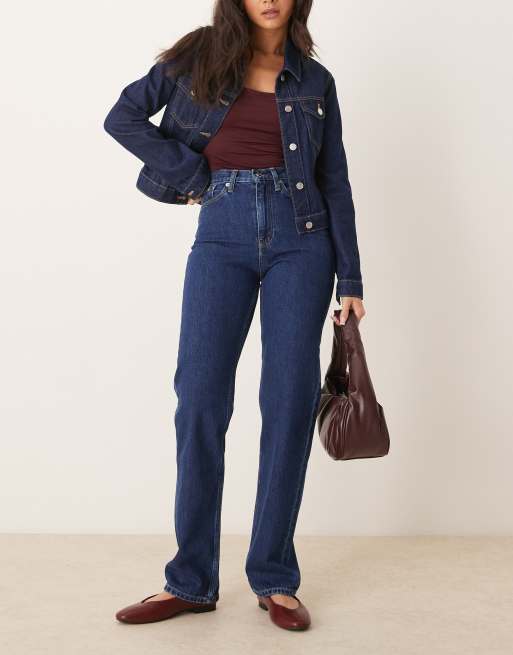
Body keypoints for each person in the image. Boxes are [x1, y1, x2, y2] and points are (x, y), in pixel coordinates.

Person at [104, 0, 366, 632]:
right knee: (198, 398)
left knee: (289, 401)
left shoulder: (315, 80)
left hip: (303, 241)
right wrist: (192, 173)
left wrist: (351, 278)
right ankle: (190, 581)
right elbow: (124, 116)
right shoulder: (200, 55)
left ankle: (274, 577)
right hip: (221, 230)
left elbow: (334, 179)